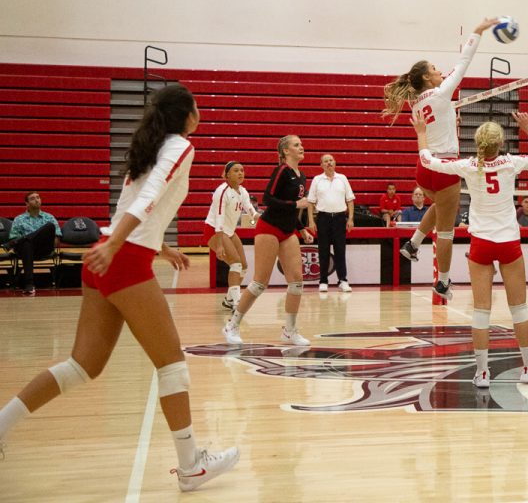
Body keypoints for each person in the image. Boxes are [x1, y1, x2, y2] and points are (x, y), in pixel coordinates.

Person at [0, 85, 239, 491]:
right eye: (196, 106)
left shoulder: (150, 147)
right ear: (186, 115)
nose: (200, 112)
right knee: (173, 366)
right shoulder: (180, 146)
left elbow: (132, 207)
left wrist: (158, 247)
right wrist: (117, 244)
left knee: (81, 366)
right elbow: (147, 198)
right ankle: (190, 466)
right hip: (120, 258)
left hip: (108, 256)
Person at [412, 110, 528, 387]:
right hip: (509, 244)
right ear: (500, 144)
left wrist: (421, 134)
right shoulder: (511, 163)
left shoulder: (466, 165)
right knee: (520, 309)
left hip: (481, 244)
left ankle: (482, 373)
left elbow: (427, 161)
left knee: (481, 311)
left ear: (477, 144)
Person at [383, 17, 500, 301]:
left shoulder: (417, 101)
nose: (439, 72)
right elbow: (463, 63)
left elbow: (441, 93)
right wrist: (477, 32)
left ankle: (413, 244)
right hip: (445, 165)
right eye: (434, 69)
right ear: (426, 78)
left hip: (424, 169)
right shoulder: (442, 92)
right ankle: (443, 283)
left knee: (441, 207)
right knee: (447, 230)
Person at [223, 135, 314, 346]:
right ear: (285, 151)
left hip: (288, 231)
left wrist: (301, 230)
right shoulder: (282, 170)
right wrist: (296, 205)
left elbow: (293, 209)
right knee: (259, 283)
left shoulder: (302, 176)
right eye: (296, 145)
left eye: (301, 144)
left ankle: (290, 331)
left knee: (297, 281)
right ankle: (232, 325)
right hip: (269, 228)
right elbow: (268, 199)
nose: (301, 147)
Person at [205, 161, 260, 310]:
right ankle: (237, 303)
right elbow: (219, 216)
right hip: (215, 230)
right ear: (227, 174)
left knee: (243, 266)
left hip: (229, 231)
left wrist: (259, 218)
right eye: (236, 171)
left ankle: (229, 299)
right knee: (235, 263)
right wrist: (220, 244)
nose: (240, 173)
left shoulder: (243, 191)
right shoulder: (222, 191)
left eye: (242, 170)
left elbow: (250, 210)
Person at [307, 154, 355, 293]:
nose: (329, 163)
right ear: (321, 165)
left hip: (340, 219)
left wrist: (350, 219)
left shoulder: (343, 178)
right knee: (323, 250)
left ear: (335, 163)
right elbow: (310, 202)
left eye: (331, 160)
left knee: (340, 250)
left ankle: (343, 280)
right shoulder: (317, 180)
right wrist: (311, 220)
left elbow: (350, 200)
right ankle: (323, 281)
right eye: (325, 161)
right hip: (323, 218)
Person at [4, 192, 61, 295]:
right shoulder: (19, 219)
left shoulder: (49, 217)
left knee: (49, 226)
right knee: (27, 244)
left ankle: (25, 239)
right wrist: (27, 241)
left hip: (44, 249)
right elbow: (14, 237)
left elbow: (56, 240)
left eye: (38, 197)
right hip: (25, 250)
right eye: (32, 198)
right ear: (27, 203)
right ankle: (29, 284)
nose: (36, 200)